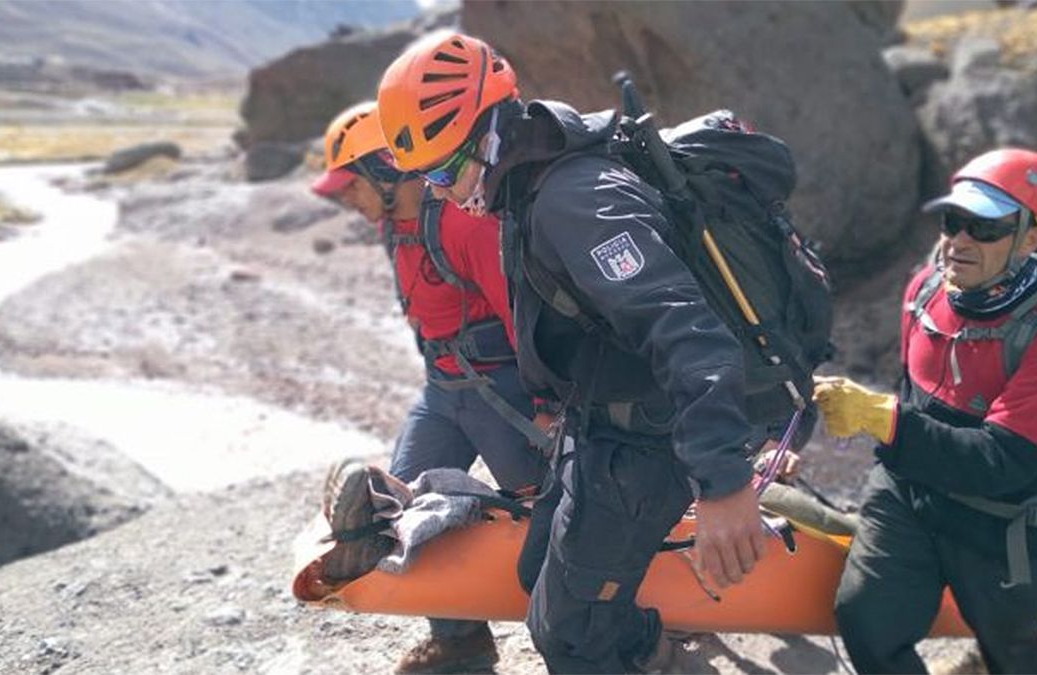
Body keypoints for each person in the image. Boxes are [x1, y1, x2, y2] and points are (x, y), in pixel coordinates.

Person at [376, 31, 782, 673]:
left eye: (444, 170)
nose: (439, 192)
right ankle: (653, 654)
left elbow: (688, 332)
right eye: (426, 176)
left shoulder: (574, 200)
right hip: (598, 424)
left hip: (649, 438)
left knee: (569, 638)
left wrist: (725, 484)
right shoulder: (523, 188)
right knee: (538, 576)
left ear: (489, 132)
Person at [815, 148, 1037, 673]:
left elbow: (1002, 461)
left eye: (985, 228)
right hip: (910, 492)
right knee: (864, 618)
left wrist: (883, 420)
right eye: (953, 220)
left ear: (1031, 239)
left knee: (1014, 658)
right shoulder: (924, 289)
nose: (959, 241)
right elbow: (914, 391)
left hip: (1003, 525)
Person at [310, 100, 549, 673]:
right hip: (442, 394)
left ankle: (605, 629)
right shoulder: (393, 227)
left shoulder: (464, 224)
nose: (346, 199)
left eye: (350, 186)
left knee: (546, 518)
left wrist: (545, 406)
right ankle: (462, 641)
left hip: (504, 394)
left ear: (387, 169)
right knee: (404, 517)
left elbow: (522, 319)